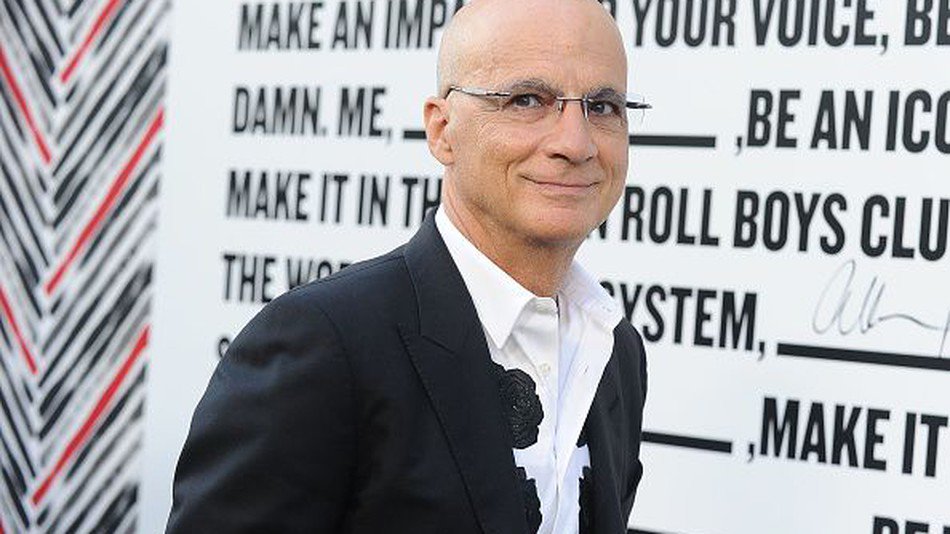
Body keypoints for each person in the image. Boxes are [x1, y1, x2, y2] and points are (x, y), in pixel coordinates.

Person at [166, 0, 648, 532]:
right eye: (527, 100)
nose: (575, 143)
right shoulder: (325, 346)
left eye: (603, 107)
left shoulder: (614, 351)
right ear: (442, 130)